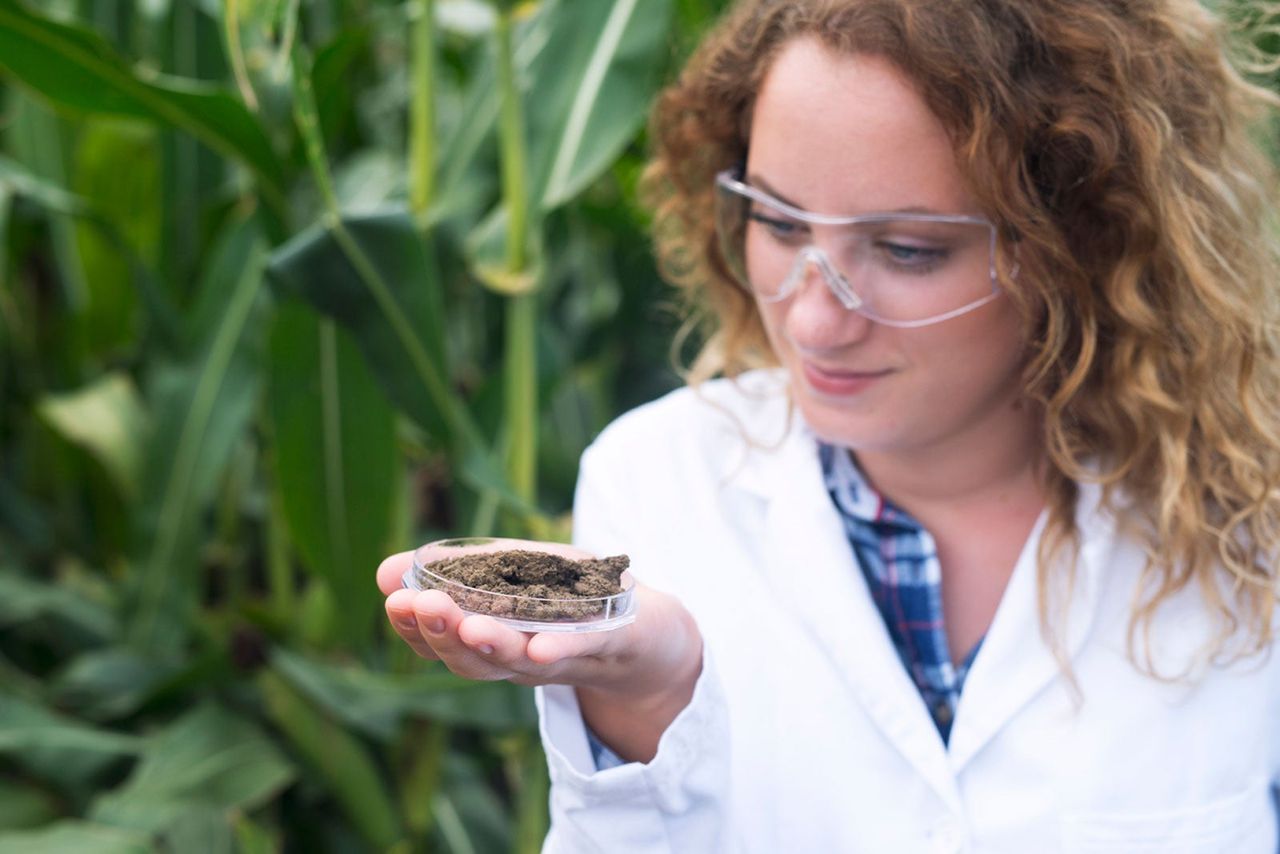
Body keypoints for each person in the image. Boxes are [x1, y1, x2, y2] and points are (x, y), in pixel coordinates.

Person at [378, 0, 1280, 849]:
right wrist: (648, 705)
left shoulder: (1251, 524)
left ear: (1080, 236)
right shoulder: (658, 480)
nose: (813, 321)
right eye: (777, 221)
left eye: (906, 250)